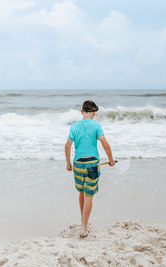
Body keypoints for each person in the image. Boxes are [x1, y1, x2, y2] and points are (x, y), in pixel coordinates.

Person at [64, 100, 115, 238]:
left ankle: (83, 220)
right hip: (92, 164)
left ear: (82, 112)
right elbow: (105, 143)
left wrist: (68, 163)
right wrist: (110, 160)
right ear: (93, 113)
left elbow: (67, 146)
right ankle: (84, 227)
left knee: (81, 193)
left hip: (78, 164)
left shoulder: (74, 127)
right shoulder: (96, 126)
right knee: (89, 196)